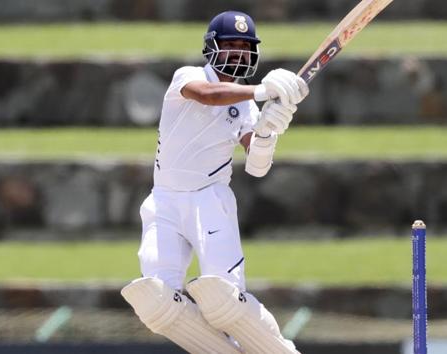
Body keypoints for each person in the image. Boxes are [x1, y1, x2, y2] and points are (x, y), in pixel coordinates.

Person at [120, 10, 308, 354]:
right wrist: (263, 90)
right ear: (212, 47)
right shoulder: (187, 77)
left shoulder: (247, 107)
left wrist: (269, 131)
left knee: (224, 301)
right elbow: (210, 95)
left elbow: (258, 166)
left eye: (244, 46)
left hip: (210, 201)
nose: (238, 51)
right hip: (164, 201)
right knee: (156, 302)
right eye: (231, 44)